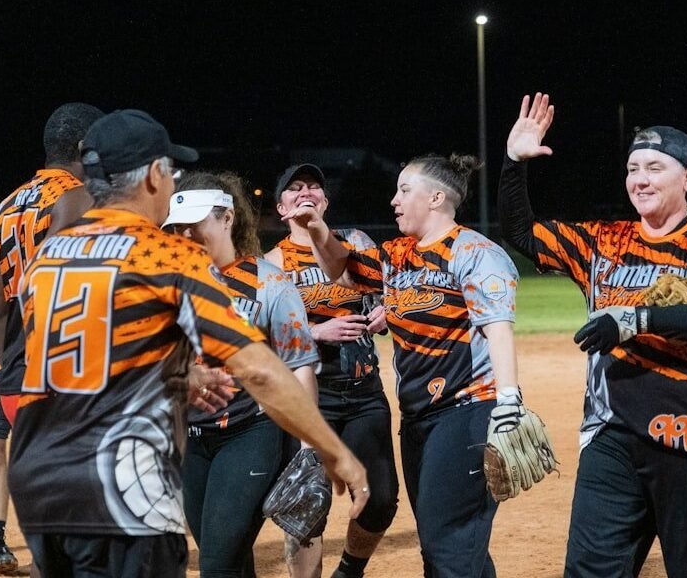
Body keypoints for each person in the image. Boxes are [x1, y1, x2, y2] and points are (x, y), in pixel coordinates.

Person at [7, 109, 368, 578]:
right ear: (156, 176)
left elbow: (78, 356)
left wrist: (180, 374)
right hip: (122, 475)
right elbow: (259, 369)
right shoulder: (164, 254)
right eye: (170, 171)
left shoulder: (50, 255)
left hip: (41, 473)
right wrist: (335, 453)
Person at [498, 93, 687, 577]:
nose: (640, 179)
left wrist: (635, 320)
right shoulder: (602, 242)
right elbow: (521, 232)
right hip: (612, 436)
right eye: (633, 168)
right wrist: (514, 162)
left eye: (655, 168)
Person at [283, 154, 522, 578]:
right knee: (445, 539)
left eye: (403, 190)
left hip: (467, 409)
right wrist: (317, 228)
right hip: (418, 417)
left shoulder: (475, 251)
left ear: (435, 197)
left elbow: (497, 327)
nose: (394, 200)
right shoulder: (397, 256)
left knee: (446, 542)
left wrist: (508, 400)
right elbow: (341, 268)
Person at [163, 171, 322, 578]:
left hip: (250, 433)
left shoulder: (269, 282)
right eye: (177, 227)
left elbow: (300, 365)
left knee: (215, 564)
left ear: (227, 218)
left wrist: (308, 449)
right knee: (229, 560)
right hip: (189, 441)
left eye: (194, 224)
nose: (186, 235)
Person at [0, 102, 104, 573]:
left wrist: (7, 364)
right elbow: (63, 288)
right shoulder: (78, 197)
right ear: (83, 147)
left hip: (16, 372)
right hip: (61, 373)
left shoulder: (5, 205)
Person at [265, 163, 399, 578]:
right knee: (308, 502)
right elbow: (258, 334)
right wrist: (315, 330)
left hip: (362, 389)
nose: (307, 192)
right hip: (308, 395)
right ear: (281, 207)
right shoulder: (272, 262)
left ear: (326, 201)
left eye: (315, 187)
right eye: (295, 188)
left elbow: (392, 292)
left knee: (380, 500)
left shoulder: (354, 242)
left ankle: (349, 571)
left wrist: (385, 312)